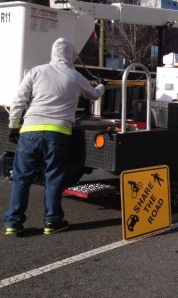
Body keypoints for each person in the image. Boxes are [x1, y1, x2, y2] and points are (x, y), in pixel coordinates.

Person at [3, 38, 105, 235]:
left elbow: (18, 100)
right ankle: (52, 221)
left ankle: (13, 222)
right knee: (54, 178)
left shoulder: (36, 71)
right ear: (70, 55)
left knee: (22, 178)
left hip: (29, 131)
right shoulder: (74, 76)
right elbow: (93, 95)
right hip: (58, 133)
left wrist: (14, 126)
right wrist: (102, 86)